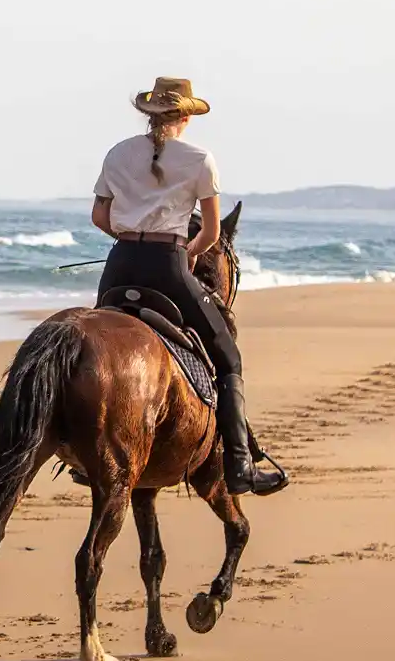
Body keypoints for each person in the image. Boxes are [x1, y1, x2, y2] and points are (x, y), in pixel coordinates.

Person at [91, 77, 287, 496]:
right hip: (168, 265)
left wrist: (129, 238)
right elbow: (212, 233)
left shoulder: (117, 153)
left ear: (148, 115)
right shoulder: (200, 158)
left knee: (94, 354)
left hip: (119, 265)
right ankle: (239, 466)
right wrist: (189, 253)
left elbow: (99, 217)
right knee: (228, 356)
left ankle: (85, 453)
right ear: (184, 117)